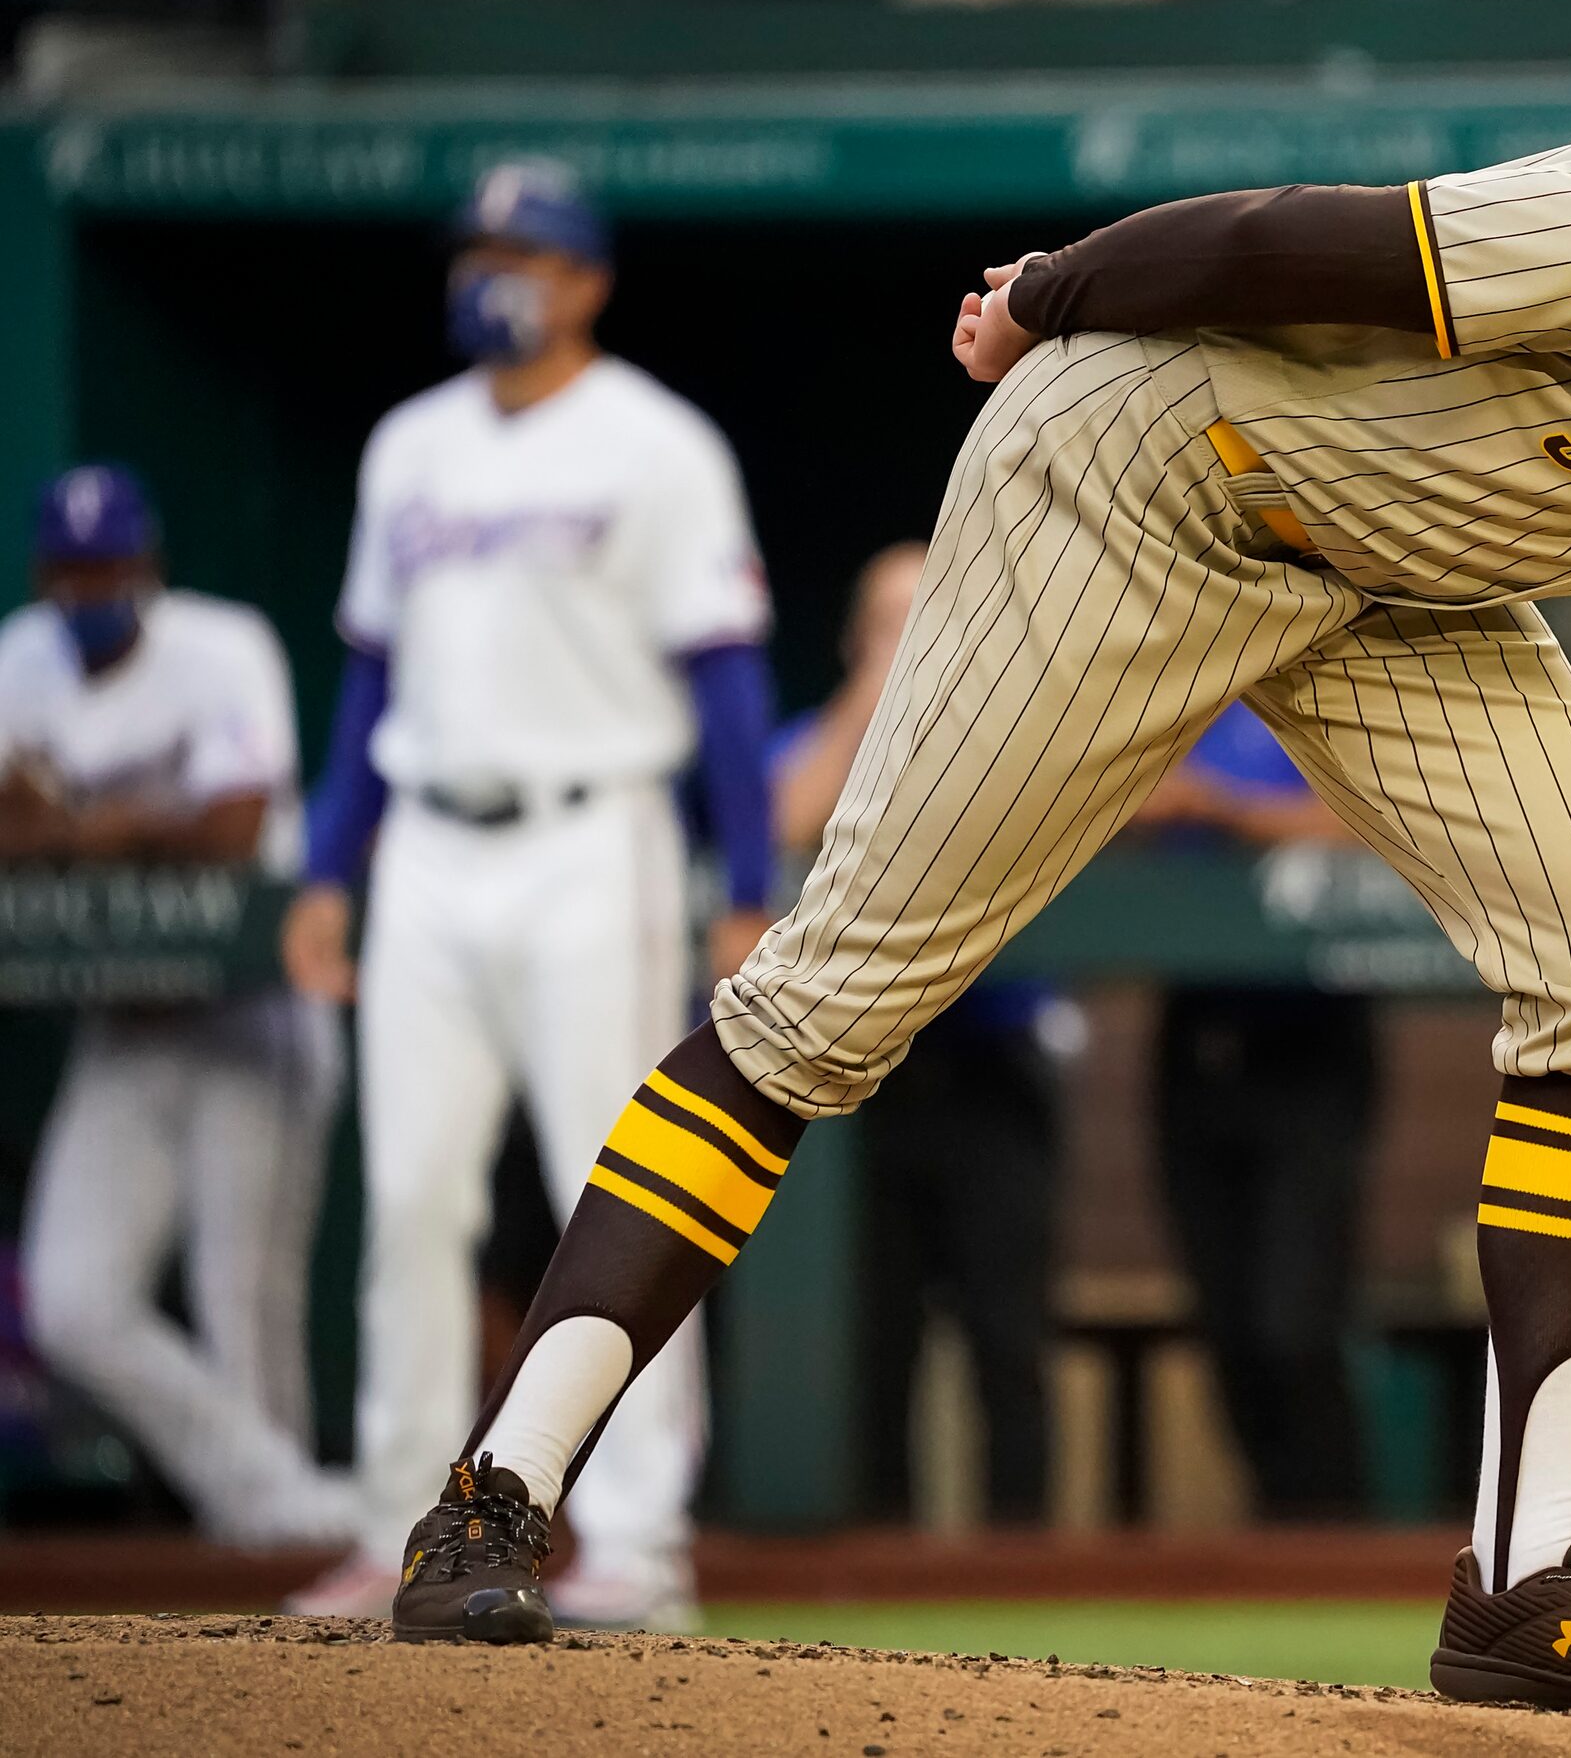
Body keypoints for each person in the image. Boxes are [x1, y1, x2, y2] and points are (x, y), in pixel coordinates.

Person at [394, 0, 1571, 1720]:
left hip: (1396, 578)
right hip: (1151, 475)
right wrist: (1044, 296)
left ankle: (1530, 1587)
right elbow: (1302, 239)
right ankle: (493, 1495)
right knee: (836, 1000)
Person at [280, 159, 777, 1629]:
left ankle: (631, 1538)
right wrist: (328, 865)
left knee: (613, 1182)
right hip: (427, 840)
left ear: (587, 281)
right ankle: (397, 1524)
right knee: (412, 1196)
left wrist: (740, 881)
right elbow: (371, 669)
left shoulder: (656, 443)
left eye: (528, 252)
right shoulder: (409, 446)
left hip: (594, 830)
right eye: (480, 249)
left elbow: (728, 675)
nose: (497, 275)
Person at [0, 466, 351, 1546]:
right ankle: (278, 1502)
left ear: (146, 564)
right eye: (77, 567)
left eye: (113, 564)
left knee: (239, 1297)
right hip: (125, 1026)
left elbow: (235, 829)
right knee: (70, 1299)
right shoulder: (21, 657)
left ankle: (282, 1543)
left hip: (252, 1016)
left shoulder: (221, 644)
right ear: (49, 571)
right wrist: (138, 814)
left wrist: (78, 823)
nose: (95, 585)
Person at [773, 542, 1059, 1527]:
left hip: (991, 1066)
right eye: (892, 617)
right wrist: (880, 688)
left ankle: (1025, 1572)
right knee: (872, 1334)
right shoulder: (819, 733)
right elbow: (789, 816)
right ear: (856, 638)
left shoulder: (1021, 720)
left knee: (1007, 1335)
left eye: (936, 610)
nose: (916, 634)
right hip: (860, 1076)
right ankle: (869, 1561)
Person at [1139, 700, 1380, 1521]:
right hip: (1195, 1039)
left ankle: (1336, 1541)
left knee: (1295, 1325)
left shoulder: (1329, 695)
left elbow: (1379, 825)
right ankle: (1280, 1532)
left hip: (1310, 1040)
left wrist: (1224, 809)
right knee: (1230, 1330)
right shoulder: (1178, 699)